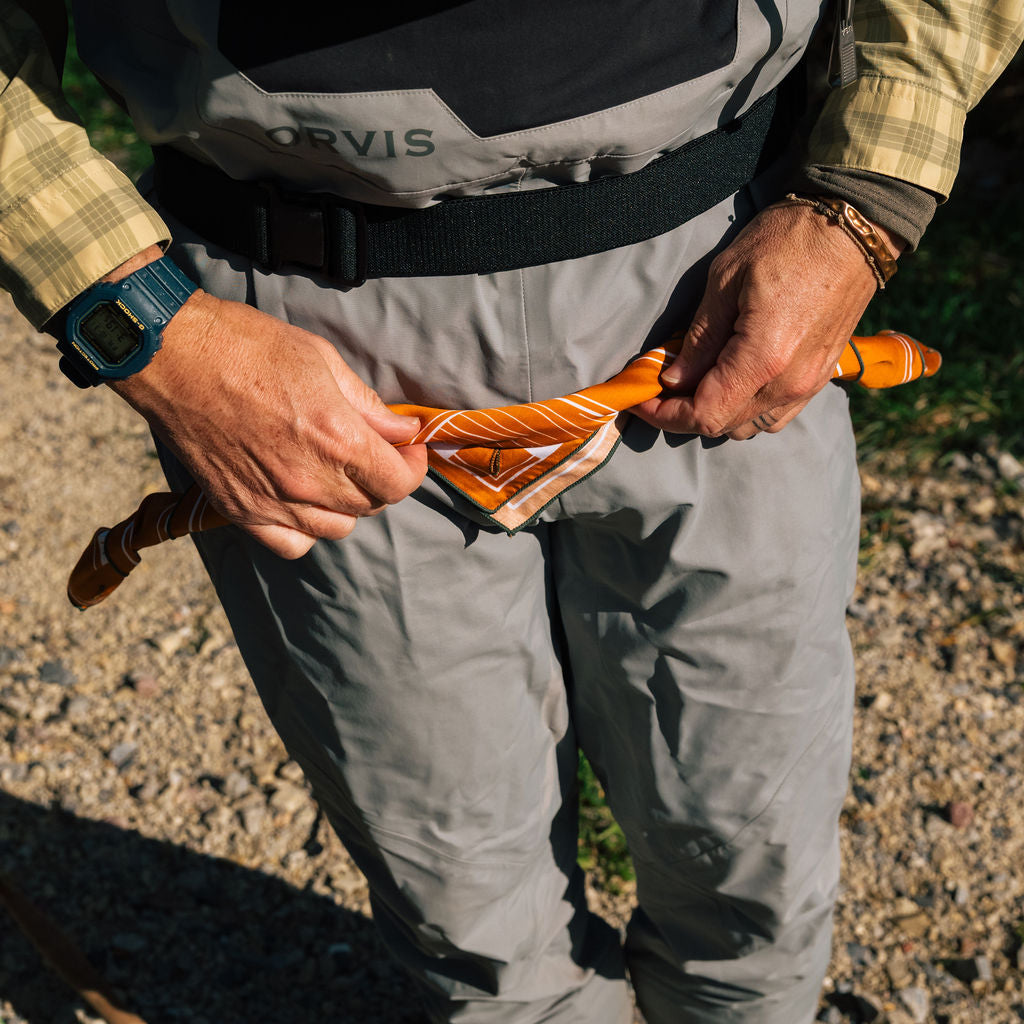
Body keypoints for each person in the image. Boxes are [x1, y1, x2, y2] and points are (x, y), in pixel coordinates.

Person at [2, 1, 1021, 1021]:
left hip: (717, 271)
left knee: (754, 851)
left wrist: (858, 202)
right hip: (294, 338)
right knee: (465, 909)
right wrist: (148, 326)